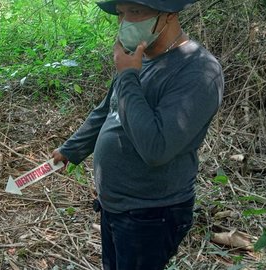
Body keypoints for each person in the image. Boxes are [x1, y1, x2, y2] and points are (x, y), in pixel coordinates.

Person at [51, 0, 224, 269]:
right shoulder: (139, 58)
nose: (125, 23)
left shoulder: (198, 71)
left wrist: (128, 75)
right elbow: (107, 110)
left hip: (152, 213)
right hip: (115, 205)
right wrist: (70, 150)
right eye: (121, 13)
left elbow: (156, 148)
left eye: (136, 12)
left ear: (168, 14)